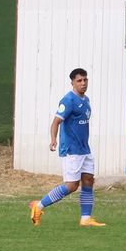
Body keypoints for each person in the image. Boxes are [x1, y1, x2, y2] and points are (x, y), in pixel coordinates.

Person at [30, 67, 104, 227]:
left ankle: (86, 219)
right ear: (72, 83)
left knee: (88, 180)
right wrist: (53, 140)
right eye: (79, 80)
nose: (83, 83)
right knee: (71, 186)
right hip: (72, 149)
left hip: (85, 148)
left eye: (85, 80)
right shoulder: (68, 100)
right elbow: (56, 122)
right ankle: (39, 206)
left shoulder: (86, 100)